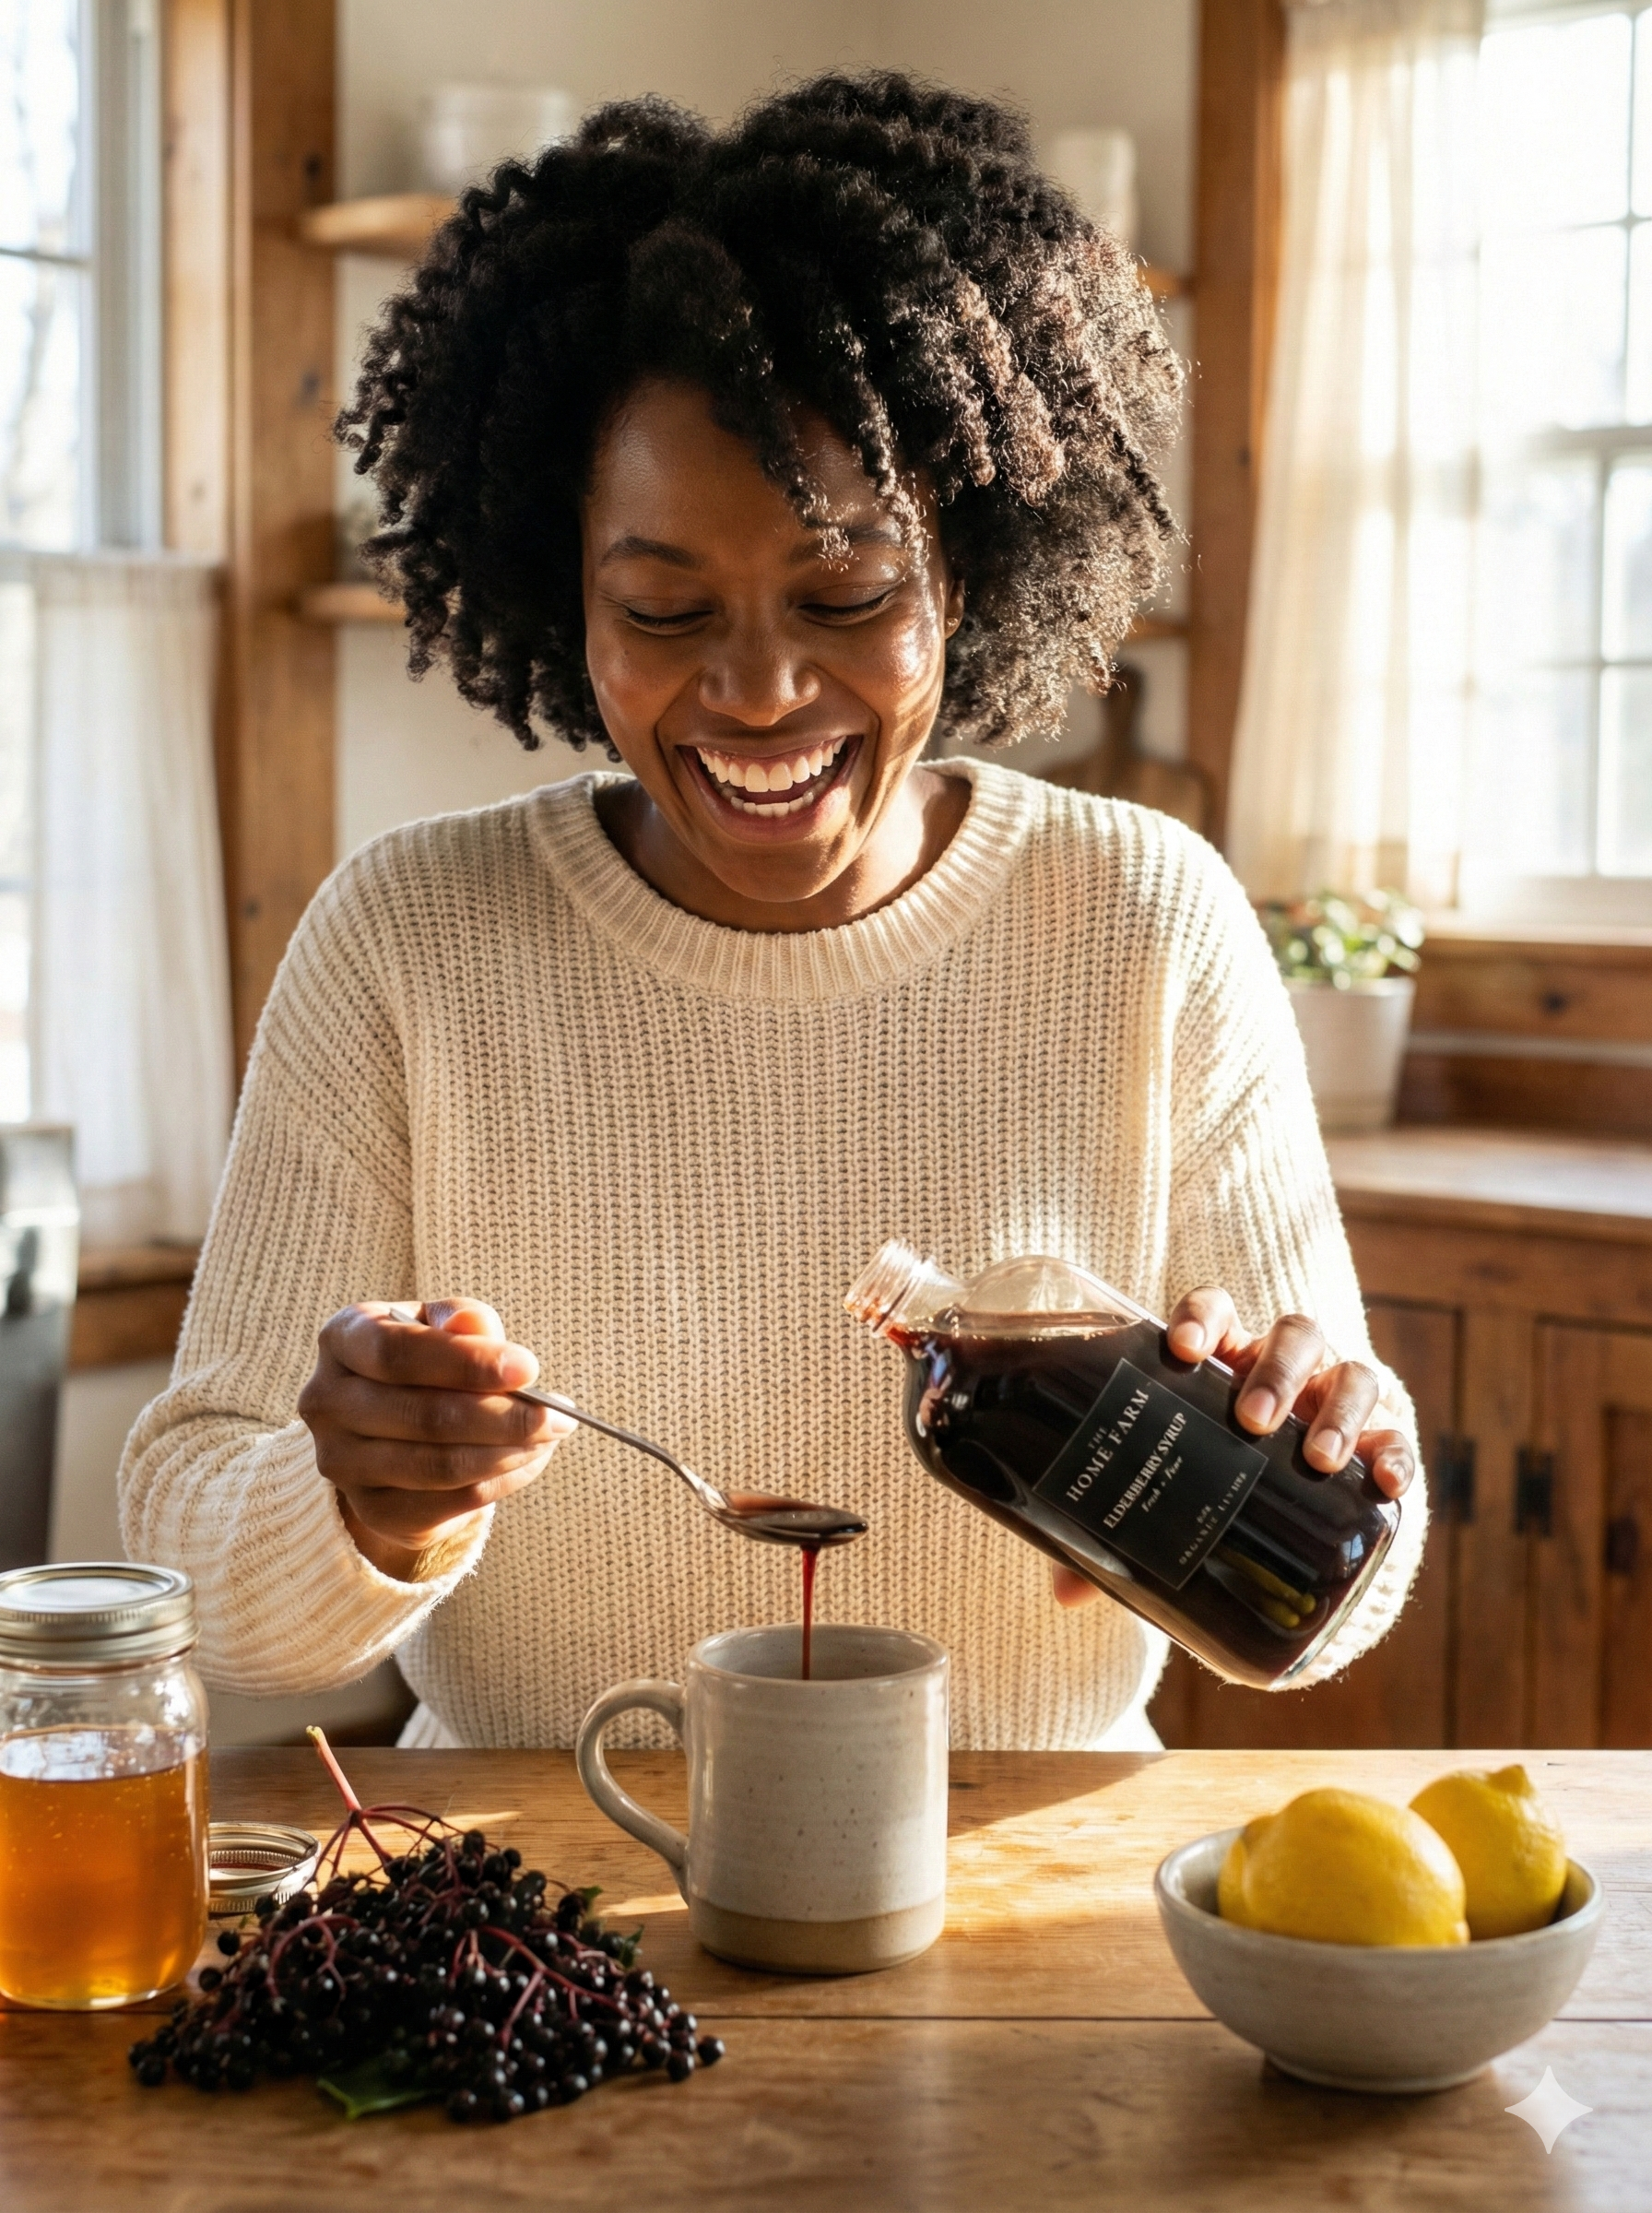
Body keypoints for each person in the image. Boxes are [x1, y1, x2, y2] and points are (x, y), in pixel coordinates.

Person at [121, 74, 1425, 1751]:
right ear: (557, 583)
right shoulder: (408, 940)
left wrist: (1332, 1449)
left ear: (972, 566)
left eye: (848, 594)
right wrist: (367, 1502)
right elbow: (195, 1572)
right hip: (543, 1903)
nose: (757, 690)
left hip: (1019, 1907)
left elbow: (1328, 1612)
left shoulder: (1144, 922)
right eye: (664, 606)